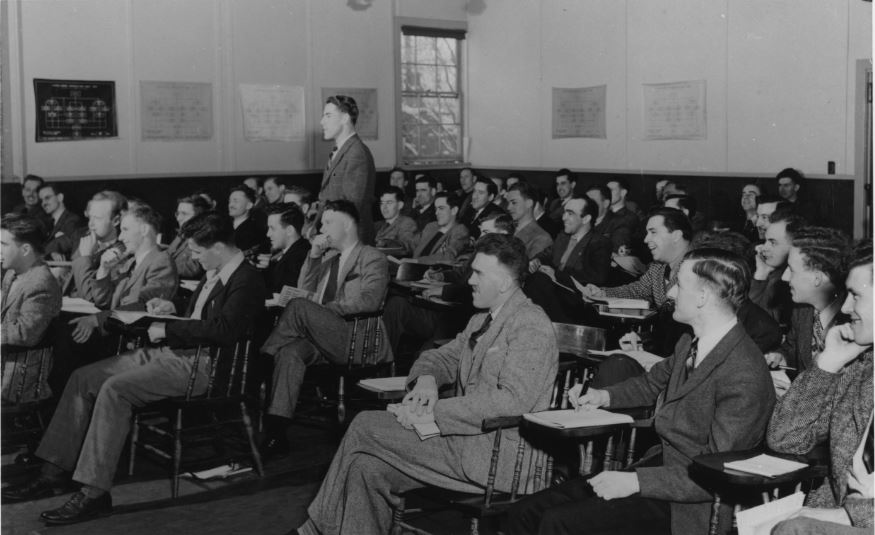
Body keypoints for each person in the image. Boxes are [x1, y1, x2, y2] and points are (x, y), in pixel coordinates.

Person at [1, 212, 266, 525]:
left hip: (204, 366)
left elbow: (224, 331)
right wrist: (173, 309)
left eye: (196, 252)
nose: (193, 258)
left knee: (115, 390)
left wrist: (168, 330)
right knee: (82, 377)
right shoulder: (218, 270)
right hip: (176, 353)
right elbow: (201, 316)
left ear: (219, 247)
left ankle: (95, 494)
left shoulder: (247, 280)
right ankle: (53, 470)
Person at [290, 233, 558, 535]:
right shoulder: (483, 319)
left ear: (506, 283)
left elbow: (512, 401)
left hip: (499, 460)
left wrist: (432, 413)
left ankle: (313, 530)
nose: (469, 279)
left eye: (479, 273)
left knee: (365, 423)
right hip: (465, 442)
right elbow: (439, 357)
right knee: (366, 468)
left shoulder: (530, 324)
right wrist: (427, 381)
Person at [508, 248, 776, 535]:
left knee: (558, 522)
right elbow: (651, 383)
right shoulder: (691, 342)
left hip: (691, 505)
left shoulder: (744, 371)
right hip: (660, 473)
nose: (670, 294)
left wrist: (636, 483)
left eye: (679, 285)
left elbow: (716, 473)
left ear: (702, 298)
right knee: (525, 512)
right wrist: (603, 396)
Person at [259, 200, 391, 459]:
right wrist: (315, 256)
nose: (322, 229)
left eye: (328, 222)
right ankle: (277, 432)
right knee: (290, 354)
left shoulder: (372, 257)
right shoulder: (329, 260)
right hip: (322, 338)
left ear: (348, 225)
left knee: (298, 307)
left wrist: (323, 311)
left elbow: (370, 301)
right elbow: (305, 290)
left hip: (356, 338)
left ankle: (264, 358)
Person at [768, 240, 873, 534]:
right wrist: (826, 366)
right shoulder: (862, 368)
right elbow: (786, 440)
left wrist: (847, 516)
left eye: (855, 295)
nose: (847, 306)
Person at [65, 203, 178, 350]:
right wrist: (103, 270)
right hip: (115, 330)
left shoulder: (161, 261)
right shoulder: (130, 262)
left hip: (131, 340)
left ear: (144, 230)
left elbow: (145, 307)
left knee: (68, 336)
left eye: (125, 229)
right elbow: (103, 302)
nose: (120, 237)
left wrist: (96, 320)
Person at [764, 226, 851, 376]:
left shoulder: (853, 322)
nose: (784, 277)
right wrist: (781, 357)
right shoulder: (802, 311)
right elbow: (792, 347)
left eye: (791, 269)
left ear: (817, 278)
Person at [1, 214, 62, 403]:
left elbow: (25, 334)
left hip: (18, 377)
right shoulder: (12, 273)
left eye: (3, 244)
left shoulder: (41, 283)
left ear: (26, 249)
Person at [525, 197, 611, 324]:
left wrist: (556, 275)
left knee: (538, 281)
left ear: (586, 219)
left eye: (570, 214)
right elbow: (545, 255)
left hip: (576, 303)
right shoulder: (563, 237)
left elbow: (597, 278)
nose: (564, 217)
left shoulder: (599, 243)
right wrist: (536, 261)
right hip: (552, 294)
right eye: (564, 212)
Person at [318, 95, 377, 244]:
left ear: (345, 118)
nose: (322, 121)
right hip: (334, 235)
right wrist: (315, 227)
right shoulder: (340, 151)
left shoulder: (356, 153)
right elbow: (327, 197)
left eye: (328, 116)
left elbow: (350, 208)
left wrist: (325, 233)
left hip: (349, 240)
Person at [69, 191, 126, 301]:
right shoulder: (88, 242)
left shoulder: (120, 253)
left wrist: (85, 257)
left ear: (116, 221)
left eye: (98, 218)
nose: (91, 224)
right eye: (90, 217)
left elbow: (89, 298)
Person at [750, 212, 805, 325]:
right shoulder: (774, 273)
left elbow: (763, 325)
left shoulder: (794, 281)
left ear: (795, 245)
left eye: (773, 242)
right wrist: (762, 273)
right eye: (765, 241)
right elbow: (749, 319)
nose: (764, 248)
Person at [259, 202, 311, 293]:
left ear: (289, 230)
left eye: (272, 229)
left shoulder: (299, 257)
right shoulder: (291, 252)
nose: (268, 234)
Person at [411, 192, 470, 263]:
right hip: (410, 268)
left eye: (441, 208)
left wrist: (416, 261)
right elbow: (412, 244)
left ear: (454, 210)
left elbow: (448, 257)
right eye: (436, 209)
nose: (436, 213)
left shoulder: (460, 230)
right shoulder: (431, 226)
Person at [167, 194, 211, 280]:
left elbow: (192, 269)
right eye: (178, 213)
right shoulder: (182, 234)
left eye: (184, 214)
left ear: (198, 217)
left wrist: (161, 266)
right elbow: (169, 254)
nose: (178, 218)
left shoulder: (202, 236)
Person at [506, 182, 553, 258]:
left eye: (514, 202)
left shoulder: (542, 238)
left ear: (529, 203)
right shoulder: (507, 229)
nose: (508, 207)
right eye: (508, 203)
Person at [38, 184, 83, 260]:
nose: (43, 203)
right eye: (41, 200)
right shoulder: (45, 222)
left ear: (60, 197)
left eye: (47, 198)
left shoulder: (72, 220)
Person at [374, 186, 418, 256]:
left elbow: (407, 247)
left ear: (400, 205)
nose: (384, 207)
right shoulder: (380, 225)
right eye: (382, 203)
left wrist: (385, 244)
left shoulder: (406, 223)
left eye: (389, 203)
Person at [228, 185, 266, 255]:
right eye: (230, 201)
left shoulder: (254, 231)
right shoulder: (224, 226)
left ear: (249, 205)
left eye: (236, 201)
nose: (231, 205)